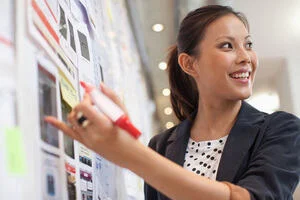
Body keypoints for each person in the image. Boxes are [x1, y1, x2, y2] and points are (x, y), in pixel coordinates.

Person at [45, 5, 300, 200]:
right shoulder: (162, 145)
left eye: (248, 44)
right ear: (189, 63)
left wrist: (132, 154)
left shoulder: (282, 129)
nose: (246, 57)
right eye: (227, 46)